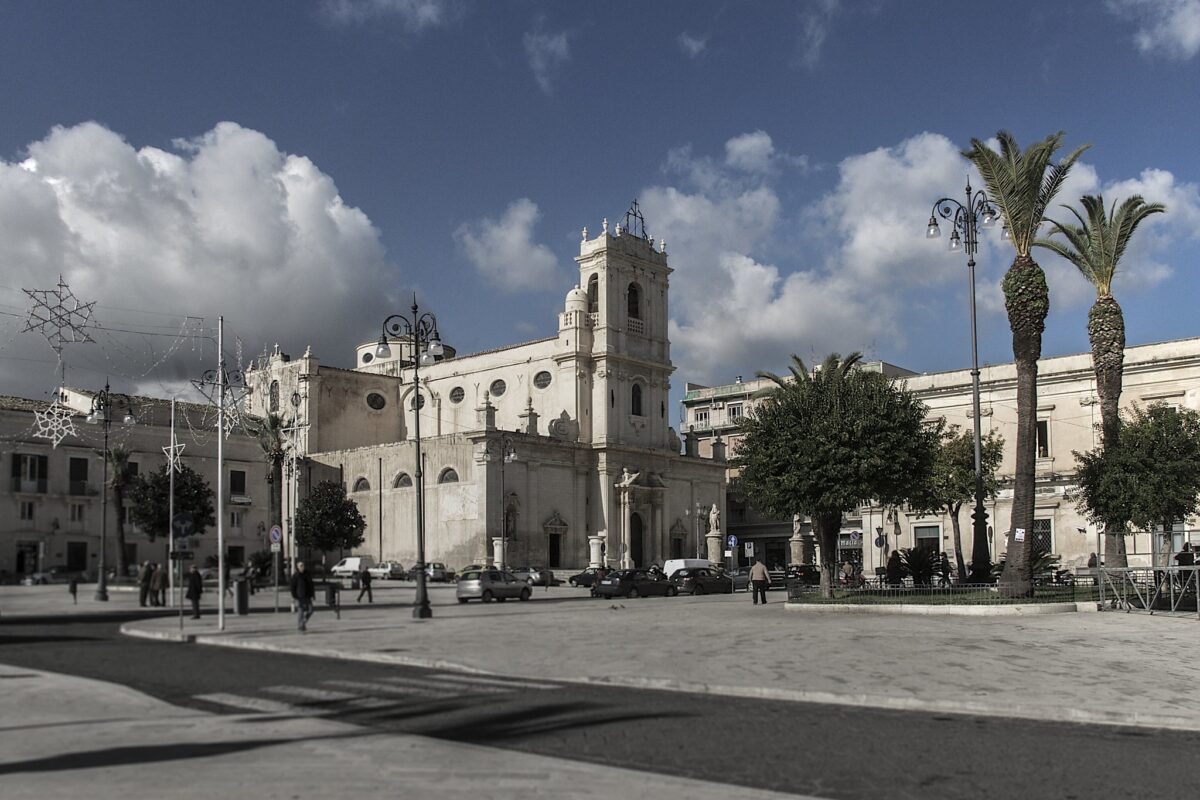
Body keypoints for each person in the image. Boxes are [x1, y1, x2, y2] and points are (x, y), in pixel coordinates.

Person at [290, 561, 315, 632]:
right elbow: (292, 587)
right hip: (299, 596)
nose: (302, 567)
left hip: (307, 595)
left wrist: (313, 594)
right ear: (297, 567)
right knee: (300, 611)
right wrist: (294, 596)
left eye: (303, 565)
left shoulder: (307, 574)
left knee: (311, 610)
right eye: (300, 566)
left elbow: (311, 585)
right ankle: (300, 625)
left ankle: (303, 622)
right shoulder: (296, 576)